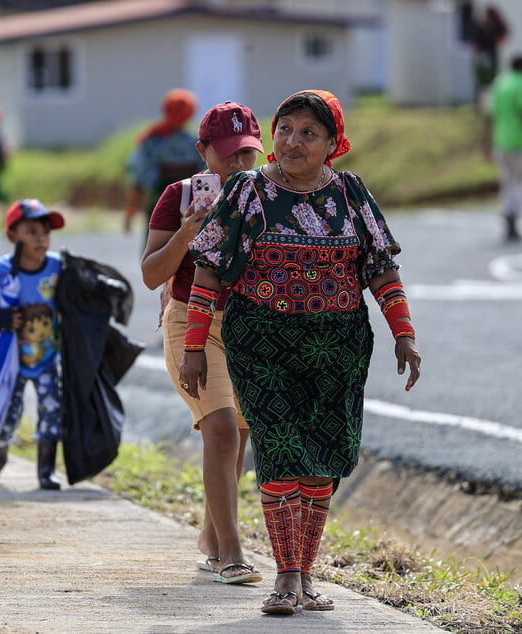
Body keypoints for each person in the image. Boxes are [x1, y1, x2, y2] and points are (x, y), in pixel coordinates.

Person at [180, 90, 421, 615]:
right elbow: (210, 267)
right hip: (261, 343)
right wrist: (194, 345)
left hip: (338, 345)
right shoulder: (247, 192)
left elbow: (381, 266)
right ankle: (286, 577)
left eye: (308, 133)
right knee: (281, 448)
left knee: (324, 459)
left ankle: (304, 572)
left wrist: (404, 333)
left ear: (333, 144)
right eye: (284, 129)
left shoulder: (353, 194)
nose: (291, 142)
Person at [141, 102, 264, 584]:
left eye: (247, 154)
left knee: (241, 432)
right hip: (189, 325)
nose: (236, 166)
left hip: (247, 328)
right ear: (203, 151)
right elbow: (152, 273)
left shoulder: (265, 195)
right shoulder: (180, 195)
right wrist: (186, 233)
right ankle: (230, 554)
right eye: (227, 154)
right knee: (220, 431)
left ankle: (212, 537)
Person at [0, 199, 65, 490]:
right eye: (32, 231)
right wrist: (1, 318)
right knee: (8, 413)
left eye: (45, 232)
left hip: (48, 359)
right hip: (12, 362)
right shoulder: (1, 272)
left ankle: (46, 471)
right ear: (13, 236)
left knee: (52, 411)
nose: (41, 238)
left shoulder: (57, 268)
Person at [124, 88, 203, 247]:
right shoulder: (197, 142)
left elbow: (140, 179)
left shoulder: (153, 141)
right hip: (191, 203)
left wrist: (130, 212)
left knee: (155, 249)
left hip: (159, 202)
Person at [483, 54, 522, 240]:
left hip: (501, 140)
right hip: (520, 141)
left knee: (509, 180)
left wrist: (486, 142)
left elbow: (490, 115)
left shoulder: (500, 83)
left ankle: (508, 210)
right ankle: (513, 210)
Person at [461, 2, 508, 111]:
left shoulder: (496, 26)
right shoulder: (479, 25)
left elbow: (503, 34)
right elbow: (472, 38)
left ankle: (493, 104)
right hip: (481, 55)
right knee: (479, 81)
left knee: (492, 81)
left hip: (491, 55)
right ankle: (478, 105)